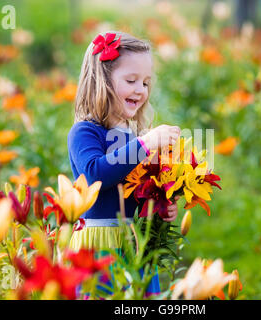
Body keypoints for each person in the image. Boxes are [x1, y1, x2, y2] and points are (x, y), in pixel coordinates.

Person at [67, 31, 181, 298]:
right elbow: (95, 174)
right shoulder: (84, 132)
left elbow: (134, 192)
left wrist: (159, 206)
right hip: (98, 246)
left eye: (145, 82)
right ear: (102, 81)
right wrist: (145, 144)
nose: (140, 90)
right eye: (131, 80)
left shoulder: (131, 137)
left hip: (133, 243)